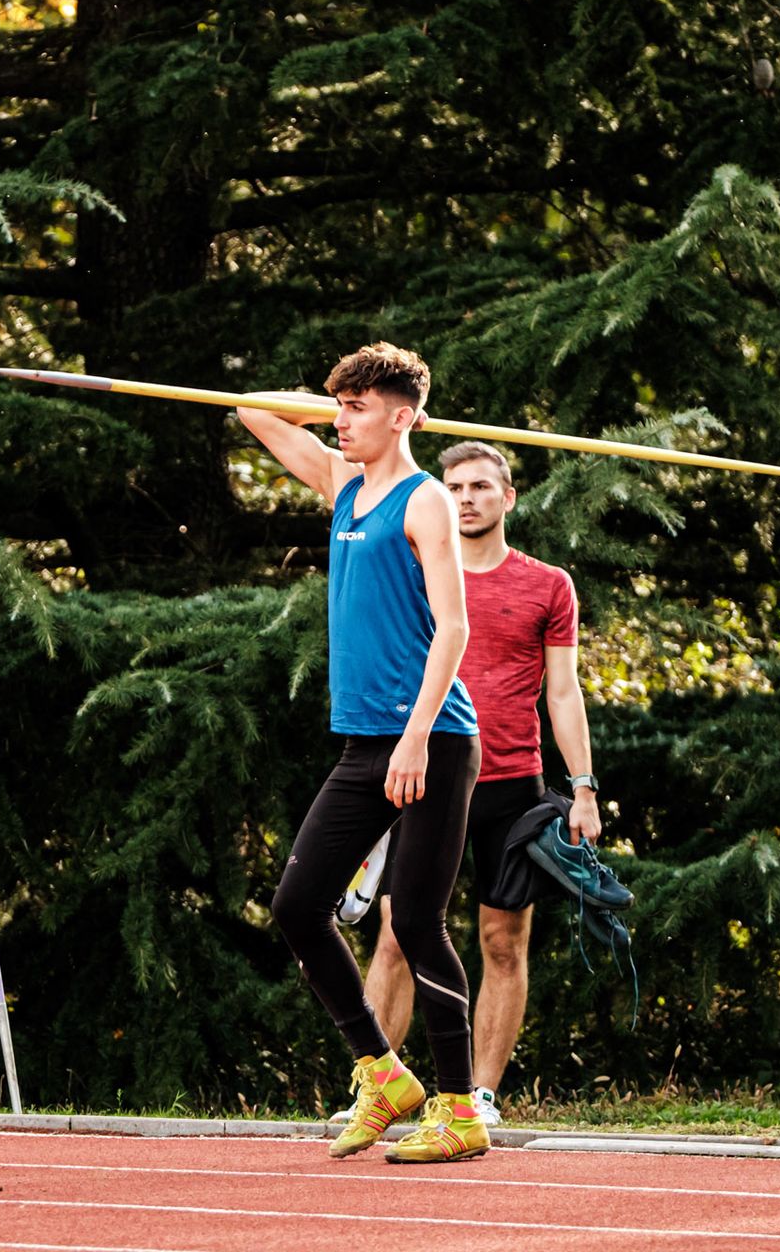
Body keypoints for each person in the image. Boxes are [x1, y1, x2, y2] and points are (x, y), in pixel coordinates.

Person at [240, 342, 489, 1164]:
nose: (341, 422)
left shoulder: (426, 502)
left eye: (356, 408)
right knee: (297, 906)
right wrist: (335, 402)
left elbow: (454, 628)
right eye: (337, 407)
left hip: (433, 738)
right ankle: (383, 1074)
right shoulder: (342, 484)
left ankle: (460, 1109)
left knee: (414, 920)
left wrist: (416, 736)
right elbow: (250, 407)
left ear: (403, 418)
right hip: (363, 742)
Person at [353, 440, 614, 1129]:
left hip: (511, 787)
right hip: (425, 777)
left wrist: (583, 788)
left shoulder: (549, 585)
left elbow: (563, 693)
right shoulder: (416, 570)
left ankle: (479, 1097)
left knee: (503, 942)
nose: (466, 498)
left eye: (479, 486)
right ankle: (378, 1089)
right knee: (396, 935)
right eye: (455, 487)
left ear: (509, 497)